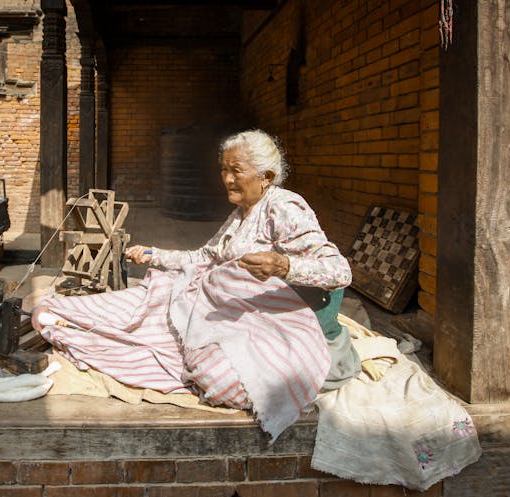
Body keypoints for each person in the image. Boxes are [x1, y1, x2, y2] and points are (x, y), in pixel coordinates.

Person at [32, 129, 360, 440]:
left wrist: (283, 265)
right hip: (218, 304)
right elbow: (205, 257)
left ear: (266, 177)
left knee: (217, 378)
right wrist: (153, 255)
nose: (227, 179)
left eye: (236, 170)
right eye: (224, 170)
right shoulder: (242, 213)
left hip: (265, 320)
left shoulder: (284, 207)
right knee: (140, 303)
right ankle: (64, 314)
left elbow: (338, 271)